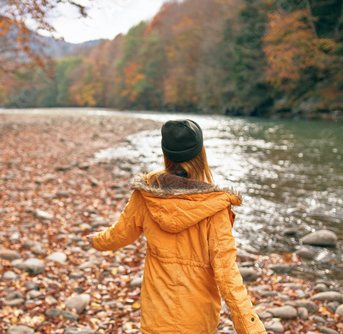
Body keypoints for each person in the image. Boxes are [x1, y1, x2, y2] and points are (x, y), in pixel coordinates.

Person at [88, 119, 266, 334]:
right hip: (198, 319)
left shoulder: (146, 195)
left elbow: (120, 234)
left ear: (166, 154)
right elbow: (227, 274)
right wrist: (252, 328)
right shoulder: (214, 206)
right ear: (201, 154)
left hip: (157, 315)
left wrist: (96, 240)